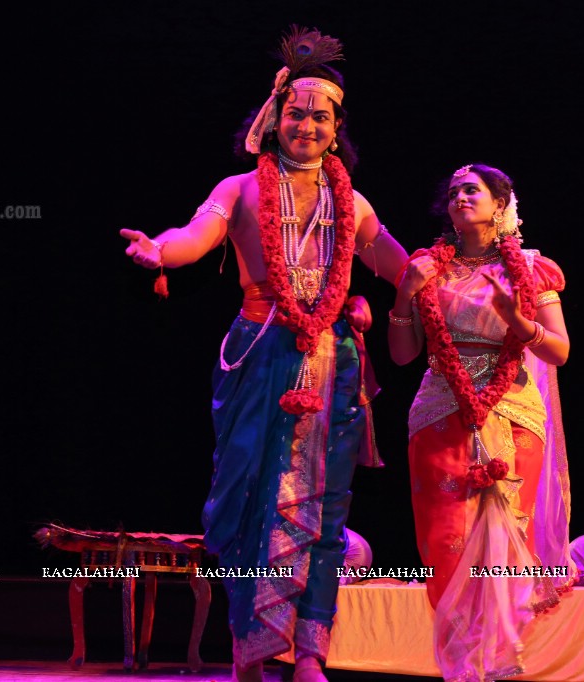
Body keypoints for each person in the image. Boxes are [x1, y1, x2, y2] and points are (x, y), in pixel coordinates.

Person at [120, 27, 407, 682]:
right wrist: (159, 251)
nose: (305, 124)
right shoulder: (239, 189)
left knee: (323, 504)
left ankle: (308, 651)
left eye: (319, 116)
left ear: (336, 130)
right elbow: (194, 237)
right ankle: (252, 648)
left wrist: (432, 274)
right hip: (260, 354)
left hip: (332, 362)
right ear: (274, 120)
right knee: (252, 500)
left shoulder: (351, 201)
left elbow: (393, 259)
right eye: (295, 112)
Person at [388, 164, 574, 680]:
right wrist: (404, 294)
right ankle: (460, 665)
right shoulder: (427, 267)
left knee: (507, 539)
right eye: (452, 192)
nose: (459, 197)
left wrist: (519, 322)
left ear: (501, 202)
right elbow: (403, 356)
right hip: (439, 408)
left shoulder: (533, 270)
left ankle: (501, 662)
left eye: (472, 189)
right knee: (445, 538)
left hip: (513, 413)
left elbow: (559, 350)